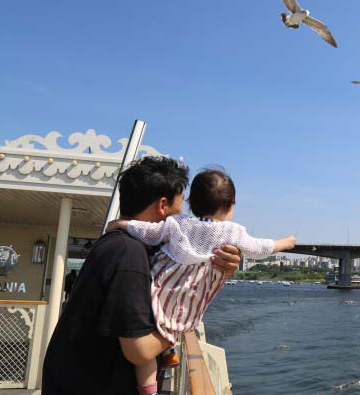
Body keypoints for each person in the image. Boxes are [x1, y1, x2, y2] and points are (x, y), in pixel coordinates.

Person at [42, 157, 241, 395]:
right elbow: (140, 350)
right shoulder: (130, 254)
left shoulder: (120, 244)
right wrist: (181, 323)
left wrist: (222, 269)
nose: (185, 216)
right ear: (163, 205)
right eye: (180, 206)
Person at [106, 167, 297, 394]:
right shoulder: (233, 232)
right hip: (186, 300)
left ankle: (150, 389)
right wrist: (286, 242)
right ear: (229, 206)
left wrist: (122, 224)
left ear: (191, 203)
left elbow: (149, 232)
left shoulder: (178, 223)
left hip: (158, 288)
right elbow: (260, 248)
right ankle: (167, 355)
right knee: (167, 331)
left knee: (151, 341)